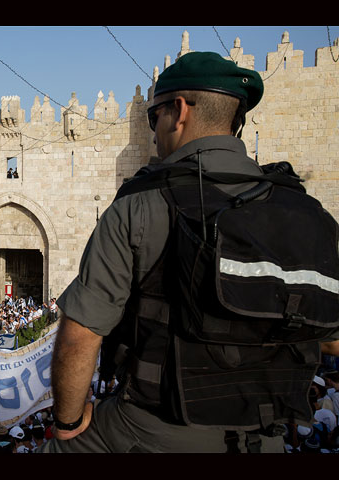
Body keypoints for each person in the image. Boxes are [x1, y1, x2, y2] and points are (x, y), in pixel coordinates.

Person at [40, 51, 339, 453]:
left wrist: (67, 422)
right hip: (264, 441)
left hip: (153, 430)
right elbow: (332, 341)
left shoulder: (140, 204)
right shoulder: (305, 212)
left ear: (178, 111)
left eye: (153, 117)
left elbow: (80, 336)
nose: (154, 129)